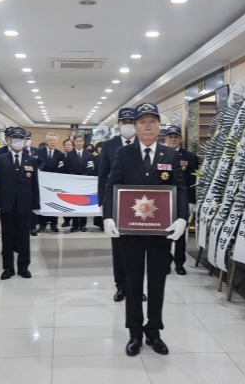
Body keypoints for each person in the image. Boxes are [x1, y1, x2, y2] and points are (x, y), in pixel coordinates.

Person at [103, 103, 188, 356]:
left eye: (152, 121)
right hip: (131, 231)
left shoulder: (170, 155)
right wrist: (108, 216)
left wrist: (182, 218)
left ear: (159, 125)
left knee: (157, 281)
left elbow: (181, 189)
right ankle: (134, 332)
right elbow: (112, 185)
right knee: (133, 281)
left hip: (161, 231)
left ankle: (154, 331)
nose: (147, 126)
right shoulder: (123, 153)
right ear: (135, 126)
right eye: (142, 122)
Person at [97, 108, 139, 302]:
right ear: (119, 124)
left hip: (141, 205)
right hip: (117, 202)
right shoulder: (109, 145)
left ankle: (137, 287)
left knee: (139, 248)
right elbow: (103, 176)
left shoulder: (145, 143)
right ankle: (121, 286)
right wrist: (102, 203)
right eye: (124, 121)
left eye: (131, 121)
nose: (128, 125)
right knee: (119, 246)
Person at [0, 127, 41, 280]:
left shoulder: (31, 160)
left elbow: (34, 184)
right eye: (14, 138)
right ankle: (8, 268)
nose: (18, 141)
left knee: (24, 238)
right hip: (7, 204)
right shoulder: (0, 159)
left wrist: (36, 204)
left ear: (25, 141)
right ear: (8, 140)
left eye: (21, 138)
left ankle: (23, 267)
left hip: (24, 205)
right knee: (7, 238)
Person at [163, 125, 199, 275]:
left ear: (181, 139)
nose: (173, 139)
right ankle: (165, 261)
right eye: (170, 137)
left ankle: (179, 263)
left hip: (182, 201)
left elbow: (193, 180)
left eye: (176, 137)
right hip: (164, 201)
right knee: (164, 233)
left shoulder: (189, 156)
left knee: (181, 234)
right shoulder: (160, 154)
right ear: (165, 138)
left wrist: (191, 202)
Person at [65, 134, 95, 232]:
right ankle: (74, 225)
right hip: (73, 183)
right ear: (74, 142)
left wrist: (83, 177)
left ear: (83, 142)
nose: (79, 143)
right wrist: (75, 177)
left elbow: (91, 168)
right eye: (77, 141)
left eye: (81, 141)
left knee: (84, 203)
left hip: (84, 183)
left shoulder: (89, 154)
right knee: (74, 203)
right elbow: (67, 168)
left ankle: (83, 224)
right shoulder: (69, 155)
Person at [37, 132, 65, 232]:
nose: (52, 142)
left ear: (56, 141)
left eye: (54, 140)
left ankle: (54, 224)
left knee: (54, 202)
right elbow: (38, 165)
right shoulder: (39, 152)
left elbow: (61, 167)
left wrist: (53, 176)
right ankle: (42, 223)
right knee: (42, 202)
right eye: (50, 140)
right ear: (47, 141)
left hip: (54, 182)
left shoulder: (60, 154)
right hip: (42, 182)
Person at [60, 138, 75, 228]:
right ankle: (66, 220)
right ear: (64, 146)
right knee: (65, 202)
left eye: (70, 145)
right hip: (64, 182)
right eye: (66, 145)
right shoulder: (61, 155)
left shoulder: (75, 155)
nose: (68, 146)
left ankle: (75, 221)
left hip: (74, 181)